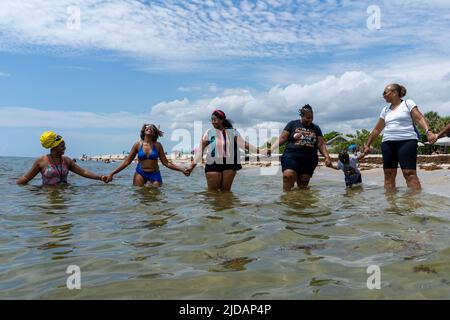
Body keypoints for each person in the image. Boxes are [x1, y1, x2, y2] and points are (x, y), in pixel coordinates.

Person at [364, 83, 435, 190]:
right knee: (388, 174)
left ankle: (414, 204)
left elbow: (419, 118)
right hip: (387, 143)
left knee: (409, 173)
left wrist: (428, 131)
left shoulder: (408, 103)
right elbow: (377, 129)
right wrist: (368, 145)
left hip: (407, 141)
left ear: (395, 93)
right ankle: (391, 204)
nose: (383, 95)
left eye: (385, 92)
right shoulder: (385, 110)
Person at [187, 109, 258, 191]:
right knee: (212, 193)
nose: (212, 122)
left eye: (215, 120)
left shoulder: (233, 132)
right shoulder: (208, 133)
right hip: (213, 163)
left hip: (229, 164)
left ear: (222, 120)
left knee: (226, 192)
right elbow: (200, 152)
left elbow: (244, 144)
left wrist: (259, 150)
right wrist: (191, 167)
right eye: (212, 120)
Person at [268, 104, 332, 191]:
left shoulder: (316, 128)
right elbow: (283, 138)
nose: (310, 120)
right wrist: (271, 149)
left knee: (303, 184)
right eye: (307, 118)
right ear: (301, 116)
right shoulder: (292, 124)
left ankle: (301, 202)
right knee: (288, 176)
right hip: (291, 156)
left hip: (309, 159)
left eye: (312, 118)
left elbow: (321, 144)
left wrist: (327, 157)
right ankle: (287, 199)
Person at [106, 124, 188, 187]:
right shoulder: (137, 144)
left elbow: (166, 163)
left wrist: (182, 169)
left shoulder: (158, 145)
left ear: (154, 133)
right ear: (143, 131)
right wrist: (112, 173)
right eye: (147, 127)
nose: (149, 128)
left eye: (152, 128)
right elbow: (127, 162)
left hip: (154, 174)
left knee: (155, 197)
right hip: (140, 173)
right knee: (139, 198)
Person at [16, 131, 108, 185]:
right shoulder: (41, 161)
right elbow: (26, 178)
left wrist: (100, 177)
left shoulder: (66, 160)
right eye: (62, 146)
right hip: (47, 194)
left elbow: (83, 172)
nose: (65, 148)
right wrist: (14, 186)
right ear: (53, 147)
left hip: (64, 194)